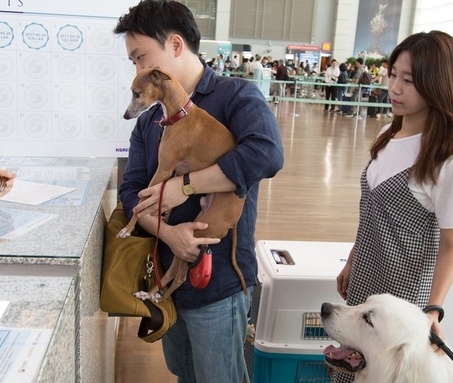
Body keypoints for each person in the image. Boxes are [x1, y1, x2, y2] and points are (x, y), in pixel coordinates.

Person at [113, 1, 284, 382]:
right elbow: (131, 190)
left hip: (219, 283)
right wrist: (168, 233)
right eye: (134, 62)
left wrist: (183, 186)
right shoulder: (150, 121)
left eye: (141, 58)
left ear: (175, 45)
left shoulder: (236, 97)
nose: (139, 70)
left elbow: (267, 155)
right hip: (167, 281)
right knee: (184, 373)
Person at [333, 30, 453, 383]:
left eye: (409, 80)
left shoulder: (449, 160)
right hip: (367, 279)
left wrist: (431, 311)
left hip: (403, 300)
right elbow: (371, 212)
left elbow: (452, 245)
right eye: (393, 74)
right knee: (351, 365)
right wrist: (354, 259)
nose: (394, 87)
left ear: (438, 84)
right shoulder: (389, 133)